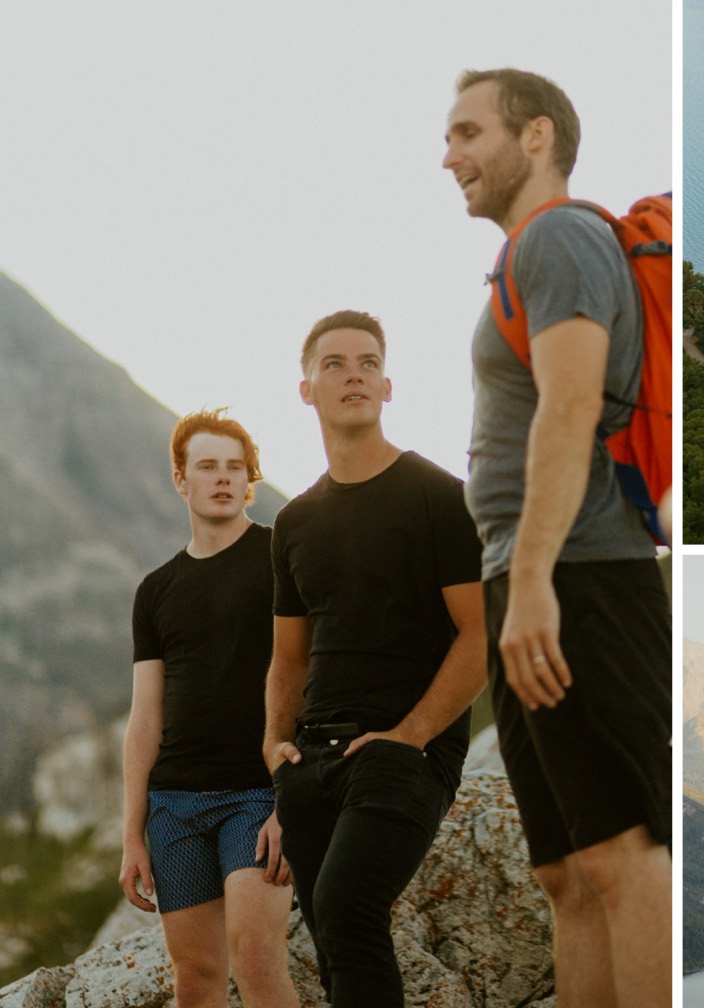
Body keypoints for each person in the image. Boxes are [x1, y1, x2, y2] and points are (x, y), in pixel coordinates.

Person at [442, 68, 671, 1008]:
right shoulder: (526, 255)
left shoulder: (563, 237)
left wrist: (532, 579)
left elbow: (572, 403)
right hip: (529, 574)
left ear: (535, 137)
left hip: (582, 572)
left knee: (622, 855)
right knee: (567, 874)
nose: (448, 155)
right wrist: (515, 579)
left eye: (467, 134)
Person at [263, 311, 485, 1008]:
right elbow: (289, 660)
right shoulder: (295, 522)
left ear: (387, 386)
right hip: (311, 761)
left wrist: (412, 735)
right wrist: (273, 746)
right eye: (333, 363)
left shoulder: (437, 496)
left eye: (365, 363)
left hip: (402, 753)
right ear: (307, 390)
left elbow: (481, 632)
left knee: (347, 911)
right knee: (333, 941)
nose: (352, 373)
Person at [119, 410, 297, 1008]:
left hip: (257, 795)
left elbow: (318, 677)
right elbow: (145, 719)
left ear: (249, 477)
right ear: (181, 479)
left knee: (255, 955)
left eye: (234, 466)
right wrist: (132, 836)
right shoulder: (157, 590)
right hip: (174, 806)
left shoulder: (283, 559)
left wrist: (295, 796)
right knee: (195, 975)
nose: (222, 478)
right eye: (207, 466)